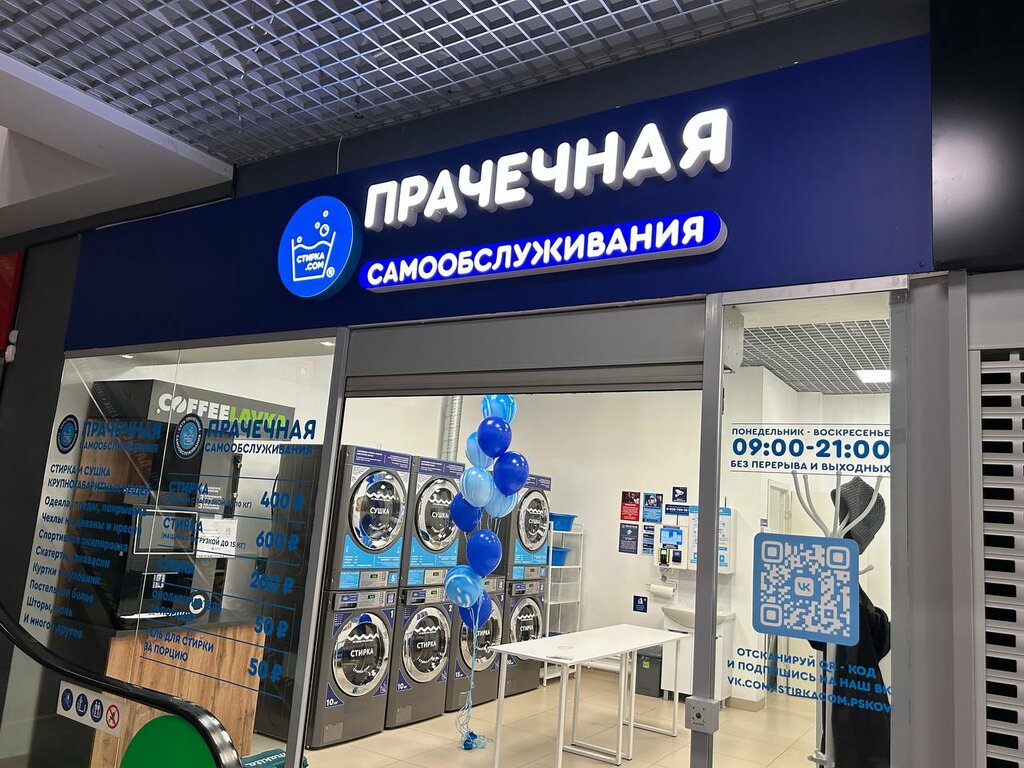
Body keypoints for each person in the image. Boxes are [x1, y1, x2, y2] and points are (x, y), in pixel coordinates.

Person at [809, 476, 891, 768]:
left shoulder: (840, 586)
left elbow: (821, 637)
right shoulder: (841, 585)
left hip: (850, 707)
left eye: (840, 516)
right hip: (851, 704)